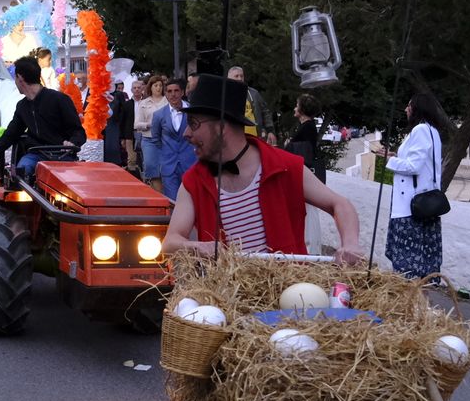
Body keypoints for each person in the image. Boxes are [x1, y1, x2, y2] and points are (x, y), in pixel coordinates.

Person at [163, 75, 365, 263]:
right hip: (226, 289)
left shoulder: (285, 166)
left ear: (222, 126)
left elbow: (340, 204)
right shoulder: (193, 182)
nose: (186, 133)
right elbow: (170, 242)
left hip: (292, 288)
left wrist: (350, 244)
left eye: (194, 123)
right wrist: (196, 246)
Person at [0, 56, 86, 181]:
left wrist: (72, 142)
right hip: (35, 155)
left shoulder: (60, 99)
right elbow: (9, 136)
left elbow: (79, 132)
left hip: (62, 155)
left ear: (20, 78)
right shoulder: (22, 106)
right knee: (19, 174)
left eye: (15, 78)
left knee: (62, 181)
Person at [377, 92, 453, 281]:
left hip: (410, 208)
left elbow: (413, 166)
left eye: (409, 106)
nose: (406, 109)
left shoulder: (420, 130)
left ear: (417, 108)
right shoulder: (433, 131)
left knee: (407, 267)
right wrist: (396, 156)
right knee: (424, 265)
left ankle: (412, 298)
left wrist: (390, 160)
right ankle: (422, 298)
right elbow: (421, 163)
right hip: (426, 206)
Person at [144, 79, 196, 200]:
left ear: (182, 92)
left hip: (190, 163)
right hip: (169, 165)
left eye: (176, 91)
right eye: (169, 91)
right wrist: (165, 154)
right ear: (166, 94)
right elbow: (156, 138)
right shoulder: (159, 115)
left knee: (191, 200)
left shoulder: (193, 111)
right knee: (172, 201)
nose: (173, 94)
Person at [225, 66, 274, 142]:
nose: (240, 78)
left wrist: (270, 130)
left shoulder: (253, 93)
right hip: (234, 138)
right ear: (229, 78)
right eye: (236, 76)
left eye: (241, 76)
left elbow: (265, 112)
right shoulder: (224, 95)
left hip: (255, 137)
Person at [135, 75, 168, 182]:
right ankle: (154, 189)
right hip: (149, 139)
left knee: (165, 168)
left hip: (165, 139)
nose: (158, 88)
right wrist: (148, 124)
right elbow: (136, 124)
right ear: (151, 87)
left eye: (160, 85)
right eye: (155, 85)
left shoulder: (168, 102)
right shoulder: (144, 103)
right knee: (150, 167)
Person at [101, 80, 134, 167]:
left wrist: (123, 136)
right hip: (98, 131)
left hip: (113, 129)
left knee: (112, 159)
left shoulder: (118, 95)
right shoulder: (96, 94)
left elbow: (122, 115)